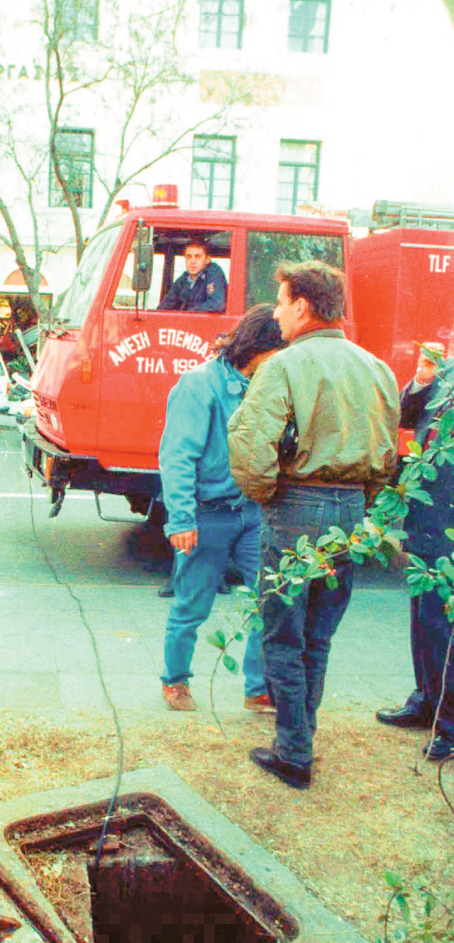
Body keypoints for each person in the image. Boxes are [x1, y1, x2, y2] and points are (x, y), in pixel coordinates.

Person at [228, 261, 400, 788]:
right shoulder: (377, 368)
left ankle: (294, 752)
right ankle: (301, 740)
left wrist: (268, 493)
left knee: (283, 633)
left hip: (297, 505)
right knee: (318, 635)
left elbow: (250, 444)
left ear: (302, 305)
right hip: (350, 510)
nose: (275, 313)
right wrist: (359, 500)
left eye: (280, 302)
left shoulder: (284, 365)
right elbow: (387, 455)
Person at [159, 305, 284, 712]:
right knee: (191, 606)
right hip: (207, 514)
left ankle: (257, 689)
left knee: (271, 598)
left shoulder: (266, 382)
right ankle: (175, 681)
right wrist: (181, 518)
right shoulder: (199, 386)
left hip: (253, 513)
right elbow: (177, 455)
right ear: (259, 348)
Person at [375, 343, 454, 762]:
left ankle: (450, 725)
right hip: (427, 517)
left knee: (446, 624)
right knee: (424, 616)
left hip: (451, 521)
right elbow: (405, 418)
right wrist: (423, 380)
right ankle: (425, 700)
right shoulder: (445, 374)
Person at [159, 241, 228, 312]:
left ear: (207, 259)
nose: (192, 261)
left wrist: (188, 312)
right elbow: (166, 304)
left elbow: (216, 304)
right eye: (188, 257)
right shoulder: (183, 279)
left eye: (198, 257)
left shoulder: (213, 273)